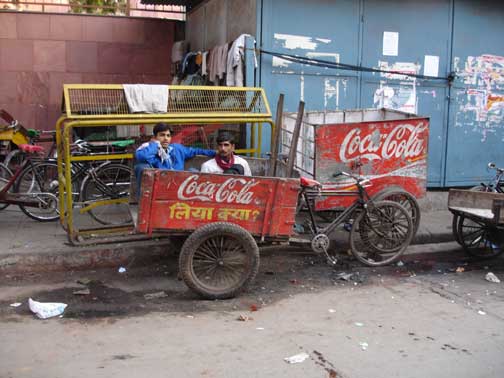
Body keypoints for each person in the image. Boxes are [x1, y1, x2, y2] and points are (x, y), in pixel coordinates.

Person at [134, 123, 216, 190]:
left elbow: (196, 151)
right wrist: (155, 145)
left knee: (193, 171)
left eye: (168, 136)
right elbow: (142, 157)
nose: (166, 138)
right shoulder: (151, 150)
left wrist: (216, 152)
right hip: (160, 188)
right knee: (140, 167)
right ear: (155, 137)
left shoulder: (176, 148)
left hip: (179, 187)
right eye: (162, 135)